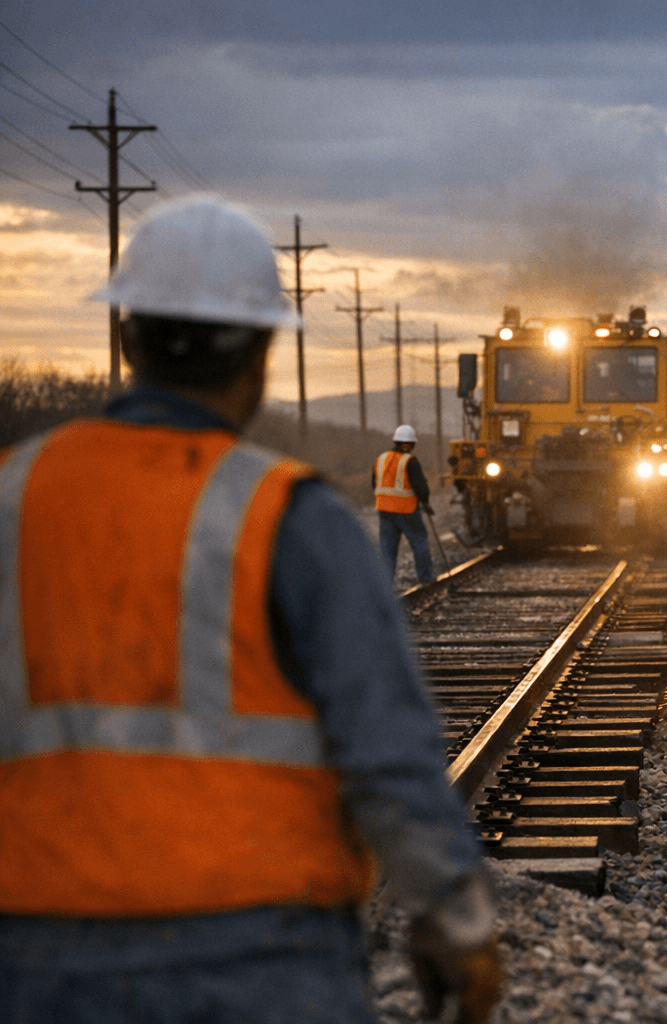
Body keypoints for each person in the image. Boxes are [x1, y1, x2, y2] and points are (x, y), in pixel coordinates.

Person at [0, 196, 501, 1023]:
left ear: (127, 339)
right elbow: (387, 752)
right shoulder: (291, 519)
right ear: (264, 350)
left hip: (34, 952)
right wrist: (455, 921)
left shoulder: (14, 498)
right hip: (259, 953)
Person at [375, 424, 435, 585]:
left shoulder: (381, 459)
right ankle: (425, 578)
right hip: (407, 510)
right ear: (410, 444)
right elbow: (421, 487)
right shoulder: (410, 461)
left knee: (387, 549)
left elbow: (375, 484)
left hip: (384, 510)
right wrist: (425, 502)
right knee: (419, 542)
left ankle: (385, 585)